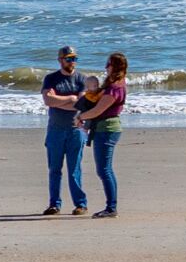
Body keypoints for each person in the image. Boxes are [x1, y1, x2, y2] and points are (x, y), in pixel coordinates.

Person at [38, 45, 88, 217]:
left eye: (74, 58)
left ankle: (80, 204)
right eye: (69, 59)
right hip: (55, 130)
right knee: (54, 169)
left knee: (74, 169)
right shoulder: (51, 79)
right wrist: (70, 98)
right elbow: (48, 100)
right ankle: (54, 204)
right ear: (60, 60)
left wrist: (62, 100)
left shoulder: (82, 79)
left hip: (76, 130)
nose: (72, 62)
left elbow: (81, 104)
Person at [78, 54, 129, 220]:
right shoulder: (112, 85)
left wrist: (81, 117)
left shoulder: (115, 87)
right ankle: (111, 206)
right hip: (103, 128)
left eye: (108, 64)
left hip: (107, 129)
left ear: (114, 66)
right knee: (104, 169)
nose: (106, 67)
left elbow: (98, 110)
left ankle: (111, 207)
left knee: (104, 169)